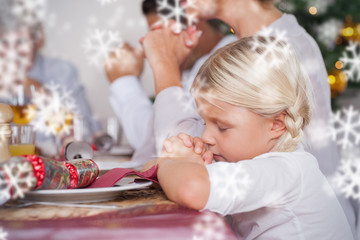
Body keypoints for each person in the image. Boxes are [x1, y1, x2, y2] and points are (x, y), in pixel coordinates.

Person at [141, 0, 357, 236]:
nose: (205, 137)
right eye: (204, 122)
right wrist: (174, 162)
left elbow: (192, 187)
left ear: (277, 124)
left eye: (222, 127)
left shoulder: (288, 170)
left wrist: (169, 163)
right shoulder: (246, 156)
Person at [105, 0, 236, 161]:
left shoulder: (231, 60)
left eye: (159, 33)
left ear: (193, 23)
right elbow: (150, 147)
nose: (150, 47)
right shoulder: (192, 67)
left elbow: (172, 147)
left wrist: (127, 79)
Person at [0, 0, 100, 155]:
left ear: (38, 40)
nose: (12, 52)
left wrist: (38, 91)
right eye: (4, 42)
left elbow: (87, 134)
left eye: (20, 42)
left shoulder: (61, 71)